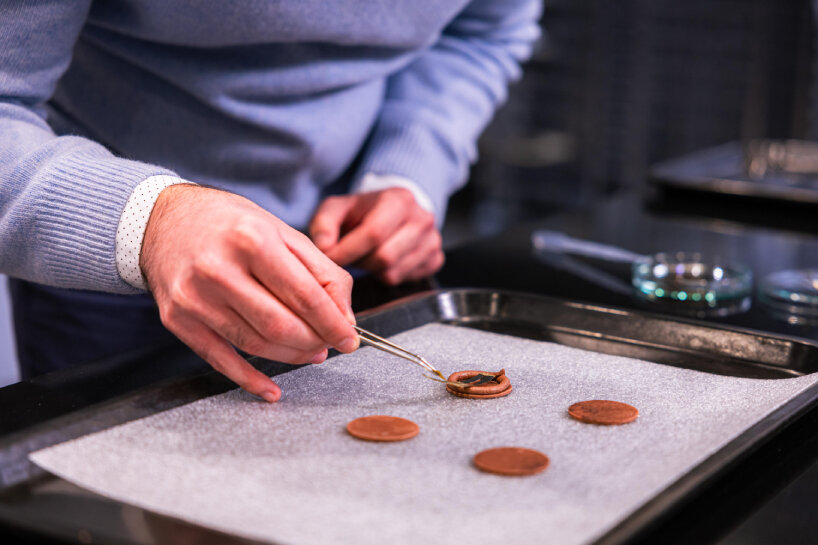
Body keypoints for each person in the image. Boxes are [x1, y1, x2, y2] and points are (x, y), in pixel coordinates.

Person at [0, 0, 541, 400]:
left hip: (348, 262)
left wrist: (409, 170)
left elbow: (481, 32)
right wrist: (152, 222)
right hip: (110, 265)